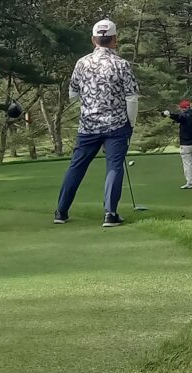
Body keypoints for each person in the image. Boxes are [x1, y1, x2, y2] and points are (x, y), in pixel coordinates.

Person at [54, 19, 139, 227]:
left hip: (88, 125)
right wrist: (131, 123)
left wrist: (89, 102)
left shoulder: (82, 63)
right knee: (114, 167)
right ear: (114, 40)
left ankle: (61, 212)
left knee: (77, 166)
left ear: (93, 40)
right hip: (117, 125)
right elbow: (132, 98)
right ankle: (110, 214)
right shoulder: (122, 64)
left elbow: (73, 93)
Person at [162, 89, 192, 189]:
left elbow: (176, 117)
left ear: (183, 108)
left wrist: (168, 114)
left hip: (185, 144)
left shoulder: (183, 116)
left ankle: (190, 183)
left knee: (187, 164)